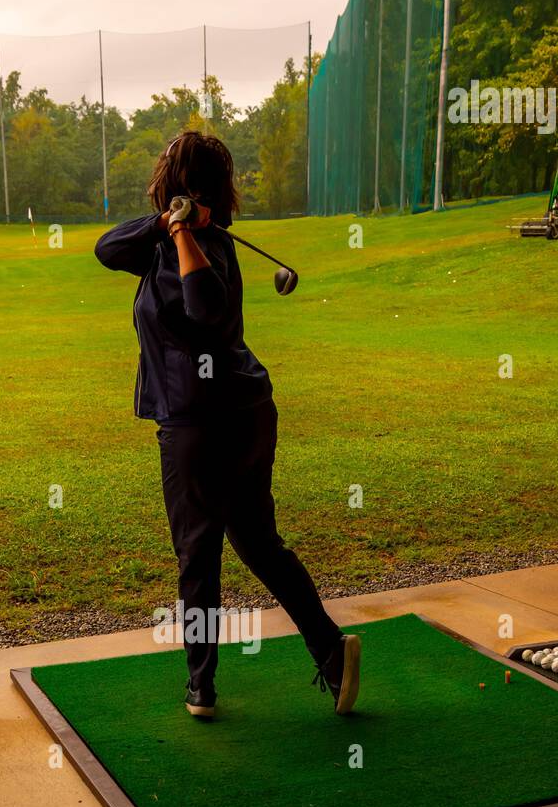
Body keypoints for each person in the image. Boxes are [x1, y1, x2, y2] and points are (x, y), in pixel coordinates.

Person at [95, 130, 360, 720]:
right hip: (245, 413)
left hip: (201, 424)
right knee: (258, 543)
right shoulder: (167, 239)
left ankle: (201, 686)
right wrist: (169, 224)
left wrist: (185, 232)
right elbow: (106, 248)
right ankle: (331, 650)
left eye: (167, 168)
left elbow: (206, 308)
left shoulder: (203, 246)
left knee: (198, 553)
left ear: (180, 182)